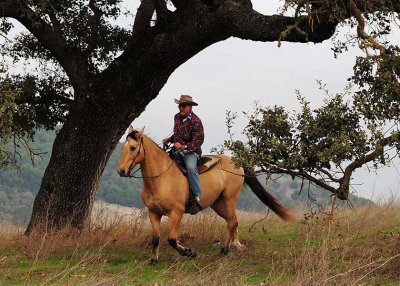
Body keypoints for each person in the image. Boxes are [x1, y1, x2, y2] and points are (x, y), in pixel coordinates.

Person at [163, 95, 204, 206]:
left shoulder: (196, 121)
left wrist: (183, 147)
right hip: (176, 150)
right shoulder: (176, 117)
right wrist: (169, 140)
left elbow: (199, 140)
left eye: (183, 106)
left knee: (191, 168)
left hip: (191, 151)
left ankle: (197, 197)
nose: (181, 108)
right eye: (179, 106)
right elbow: (177, 134)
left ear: (190, 107)